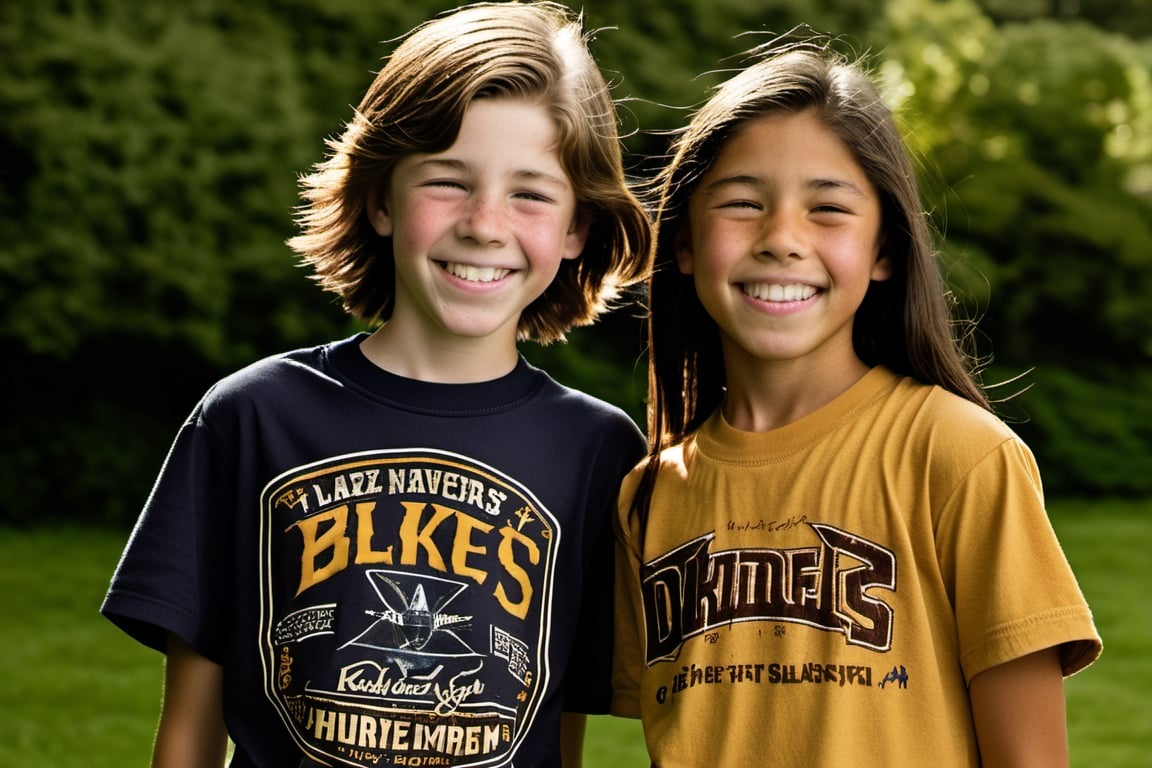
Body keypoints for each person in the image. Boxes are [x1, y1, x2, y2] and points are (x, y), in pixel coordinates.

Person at [101, 3, 651, 766]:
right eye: (448, 182)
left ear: (577, 229)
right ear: (378, 199)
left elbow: (554, 727)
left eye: (530, 193)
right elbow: (191, 732)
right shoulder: (253, 416)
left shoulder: (600, 450)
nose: (486, 224)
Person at [611, 41, 1101, 767]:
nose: (781, 239)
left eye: (828, 209)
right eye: (743, 203)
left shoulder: (960, 456)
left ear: (884, 252)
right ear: (683, 242)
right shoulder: (647, 496)